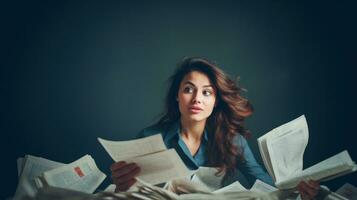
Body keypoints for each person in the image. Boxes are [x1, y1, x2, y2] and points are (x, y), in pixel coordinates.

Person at [110, 57, 320, 199]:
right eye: (188, 89)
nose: (196, 99)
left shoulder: (233, 141)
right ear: (177, 96)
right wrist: (122, 185)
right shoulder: (149, 137)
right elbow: (130, 192)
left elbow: (268, 187)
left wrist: (300, 192)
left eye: (207, 92)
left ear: (216, 101)